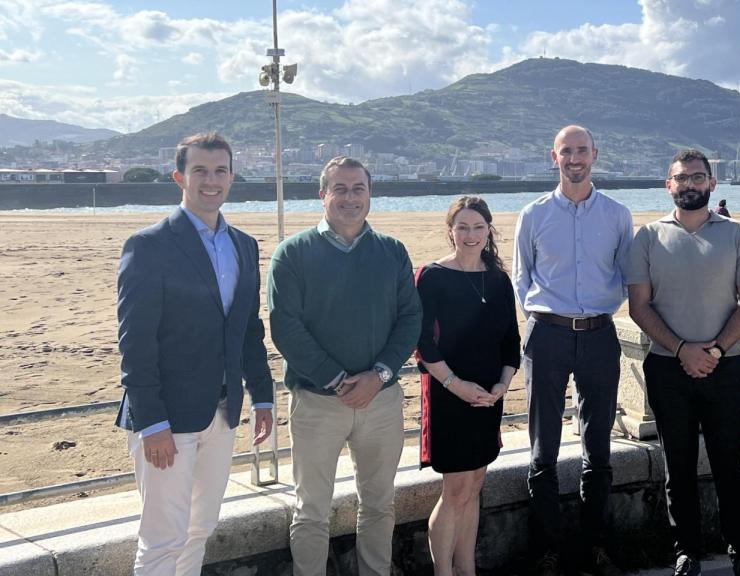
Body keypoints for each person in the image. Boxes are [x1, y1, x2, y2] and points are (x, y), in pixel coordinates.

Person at [116, 132, 274, 576]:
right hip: (167, 418)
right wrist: (152, 423)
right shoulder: (148, 246)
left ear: (232, 177)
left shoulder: (244, 245)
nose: (211, 180)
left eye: (220, 170)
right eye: (200, 171)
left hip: (223, 413)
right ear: (179, 177)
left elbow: (247, 329)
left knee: (200, 529)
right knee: (163, 540)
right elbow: (135, 342)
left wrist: (261, 395)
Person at [267, 156, 422, 576]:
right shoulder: (293, 254)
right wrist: (338, 380)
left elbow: (410, 319)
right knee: (312, 508)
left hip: (382, 400)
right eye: (340, 189)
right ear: (323, 196)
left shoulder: (392, 252)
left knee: (378, 503)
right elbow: (286, 328)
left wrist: (380, 375)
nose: (350, 198)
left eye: (359, 189)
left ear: (370, 195)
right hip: (318, 402)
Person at [626, 149, 740, 576]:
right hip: (668, 368)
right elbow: (639, 306)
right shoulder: (646, 236)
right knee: (677, 466)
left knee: (729, 465)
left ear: (712, 184)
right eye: (681, 178)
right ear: (668, 185)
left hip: (727, 367)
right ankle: (686, 551)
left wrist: (716, 350)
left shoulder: (739, 235)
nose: (690, 184)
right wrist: (682, 348)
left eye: (698, 177)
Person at [513, 125, 633, 576]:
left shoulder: (618, 215)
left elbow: (626, 275)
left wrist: (600, 313)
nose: (575, 158)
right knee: (543, 447)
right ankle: (548, 550)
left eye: (582, 150)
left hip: (600, 336)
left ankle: (593, 546)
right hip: (547, 335)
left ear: (595, 155)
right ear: (555, 157)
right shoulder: (533, 214)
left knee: (597, 445)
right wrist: (539, 323)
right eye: (567, 151)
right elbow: (522, 278)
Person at [416, 196, 521, 576]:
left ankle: (467, 569)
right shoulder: (432, 276)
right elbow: (423, 344)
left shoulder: (497, 279)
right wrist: (455, 384)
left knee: (475, 485)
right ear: (450, 231)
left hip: (488, 398)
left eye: (478, 227)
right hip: (449, 397)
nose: (470, 234)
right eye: (462, 227)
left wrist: (502, 386)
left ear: (489, 230)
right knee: (455, 490)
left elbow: (511, 340)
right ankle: (444, 572)